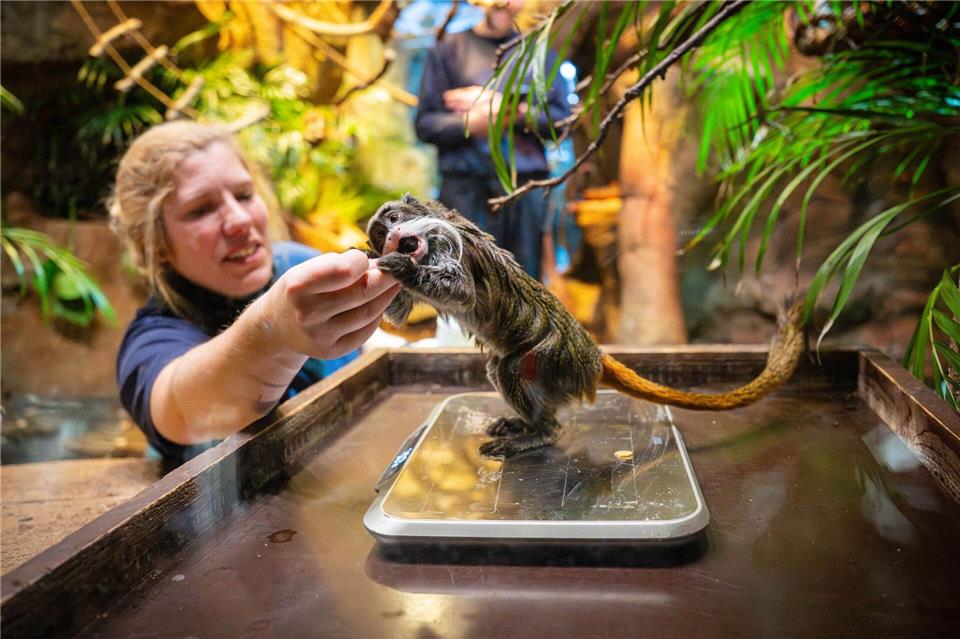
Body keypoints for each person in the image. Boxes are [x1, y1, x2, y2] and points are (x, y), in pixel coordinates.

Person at [111, 121, 398, 468]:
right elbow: (184, 411)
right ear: (155, 245)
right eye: (201, 209)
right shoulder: (153, 340)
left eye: (245, 195)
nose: (238, 220)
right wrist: (274, 332)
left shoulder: (295, 262)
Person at [415, 0, 571, 281]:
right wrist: (471, 124)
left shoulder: (538, 55)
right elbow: (426, 125)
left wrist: (505, 110)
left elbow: (560, 123)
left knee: (522, 286)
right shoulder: (449, 51)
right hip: (464, 190)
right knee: (461, 285)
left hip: (524, 190)